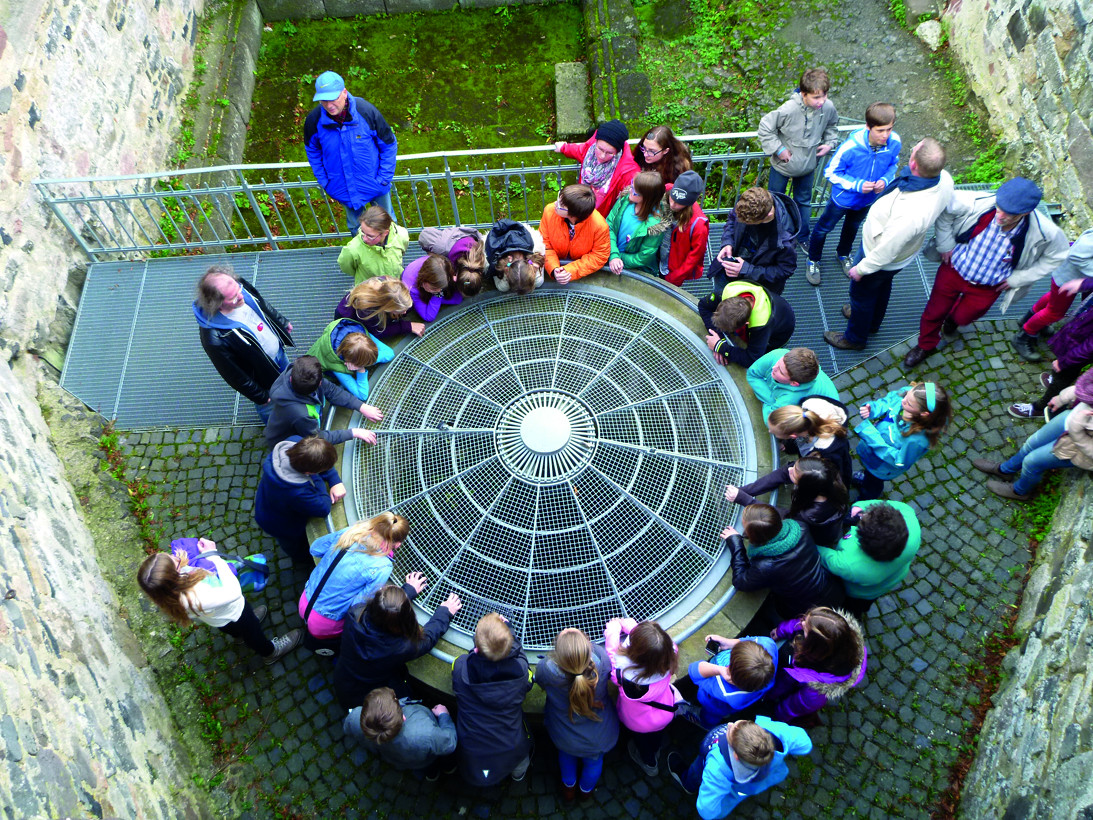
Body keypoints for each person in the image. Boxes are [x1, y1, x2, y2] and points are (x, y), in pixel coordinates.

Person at [903, 176, 1069, 368]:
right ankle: (925, 345)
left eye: (1009, 214)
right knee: (934, 311)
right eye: (999, 207)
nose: (1000, 215)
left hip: (989, 286)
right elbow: (945, 210)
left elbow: (1058, 255)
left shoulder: (1045, 231)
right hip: (954, 271)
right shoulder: (975, 203)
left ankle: (952, 321)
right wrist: (945, 243)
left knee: (965, 317)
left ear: (1026, 212)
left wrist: (1020, 278)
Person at [824, 138, 953, 351]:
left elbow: (887, 250)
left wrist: (861, 269)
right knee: (882, 286)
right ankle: (872, 323)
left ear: (913, 164)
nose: (911, 148)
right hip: (900, 257)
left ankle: (855, 338)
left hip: (879, 257)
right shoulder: (943, 180)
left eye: (914, 149)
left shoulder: (911, 211)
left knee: (861, 294)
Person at [137, 538, 301, 664]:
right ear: (173, 578)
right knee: (252, 631)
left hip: (215, 616)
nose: (175, 556)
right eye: (175, 561)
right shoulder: (196, 596)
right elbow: (234, 592)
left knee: (229, 627)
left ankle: (238, 636)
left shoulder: (166, 593)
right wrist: (214, 555)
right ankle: (270, 652)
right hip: (234, 611)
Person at [805, 102, 901, 286]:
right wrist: (857, 185)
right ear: (868, 127)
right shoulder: (850, 147)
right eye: (880, 130)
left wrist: (886, 180)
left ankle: (843, 254)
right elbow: (830, 172)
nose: (885, 135)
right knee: (824, 228)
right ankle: (813, 260)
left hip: (867, 200)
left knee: (852, 227)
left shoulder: (894, 142)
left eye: (889, 129)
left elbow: (893, 165)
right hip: (842, 199)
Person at [335, 579, 461, 709]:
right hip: (368, 699)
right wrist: (444, 613)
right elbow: (426, 640)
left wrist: (407, 591)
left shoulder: (354, 614)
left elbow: (385, 612)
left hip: (344, 679)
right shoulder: (400, 647)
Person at [193, 265, 293, 422]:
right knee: (269, 408)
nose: (241, 297)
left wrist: (281, 321)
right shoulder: (214, 338)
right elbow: (233, 374)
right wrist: (260, 396)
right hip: (262, 376)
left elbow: (261, 303)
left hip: (278, 353)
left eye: (238, 290)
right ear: (216, 303)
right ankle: (275, 426)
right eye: (232, 298)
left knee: (288, 378)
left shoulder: (237, 286)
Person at [973, 369, 1093, 500]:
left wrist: (1076, 431)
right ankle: (1005, 470)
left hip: (1082, 445)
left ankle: (1020, 491)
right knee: (1031, 443)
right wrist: (1065, 396)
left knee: (1032, 462)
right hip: (1074, 416)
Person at [304, 71, 397, 233]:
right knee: (356, 227)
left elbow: (388, 144)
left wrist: (383, 179)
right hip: (343, 187)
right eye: (323, 100)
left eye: (333, 99)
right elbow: (312, 151)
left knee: (387, 223)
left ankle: (391, 253)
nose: (329, 105)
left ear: (344, 93)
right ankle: (365, 257)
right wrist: (326, 182)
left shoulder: (366, 112)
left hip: (375, 182)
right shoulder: (314, 120)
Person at [665, 717, 813, 819]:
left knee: (695, 775)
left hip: (731, 785)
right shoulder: (773, 732)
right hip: (761, 780)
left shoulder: (718, 767)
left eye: (729, 732)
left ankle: (688, 784)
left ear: (735, 755)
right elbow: (805, 744)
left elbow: (707, 810)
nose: (729, 724)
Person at [534, 628, 620, 800]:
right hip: (598, 737)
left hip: (564, 735)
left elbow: (541, 683)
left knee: (566, 757)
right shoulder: (602, 659)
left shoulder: (545, 669)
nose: (566, 628)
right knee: (594, 764)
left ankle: (568, 789)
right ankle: (585, 792)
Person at [757, 68, 840, 244]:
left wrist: (829, 143)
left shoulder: (828, 107)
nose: (821, 101)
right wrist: (779, 150)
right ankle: (774, 235)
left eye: (824, 95)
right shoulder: (789, 109)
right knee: (775, 201)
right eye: (816, 97)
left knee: (803, 202)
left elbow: (832, 126)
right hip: (782, 166)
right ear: (803, 94)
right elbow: (765, 127)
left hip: (808, 166)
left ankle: (802, 237)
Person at [722, 503, 844, 621]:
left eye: (746, 529)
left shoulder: (766, 565)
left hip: (805, 608)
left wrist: (736, 543)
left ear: (757, 536)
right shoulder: (800, 527)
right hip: (832, 588)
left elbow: (741, 581)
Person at [451, 613, 534, 785]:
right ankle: (517, 775)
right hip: (511, 745)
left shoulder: (461, 667)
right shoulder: (521, 672)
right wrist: (509, 631)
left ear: (476, 648)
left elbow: (463, 663)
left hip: (472, 747)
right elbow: (523, 665)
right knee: (520, 759)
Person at [298, 513, 407, 641]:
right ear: (398, 544)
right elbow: (358, 606)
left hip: (306, 599)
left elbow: (316, 549)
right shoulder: (383, 565)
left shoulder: (353, 532)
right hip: (326, 622)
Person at [603, 617, 681, 777]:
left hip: (638, 723)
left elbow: (611, 653)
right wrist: (633, 627)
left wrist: (614, 629)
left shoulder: (621, 674)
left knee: (642, 743)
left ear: (635, 653)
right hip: (666, 713)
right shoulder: (670, 655)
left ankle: (650, 764)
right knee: (656, 737)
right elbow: (653, 646)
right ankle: (656, 749)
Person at [765, 606, 868, 723]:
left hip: (782, 684)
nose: (802, 623)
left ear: (816, 648)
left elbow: (791, 707)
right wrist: (781, 630)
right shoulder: (830, 632)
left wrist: (772, 714)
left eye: (806, 630)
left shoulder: (815, 694)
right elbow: (799, 624)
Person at [254, 435, 344, 568]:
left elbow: (319, 457)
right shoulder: (297, 492)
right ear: (309, 472)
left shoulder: (294, 442)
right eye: (319, 471)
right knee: (294, 545)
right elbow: (323, 507)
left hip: (266, 504)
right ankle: (302, 560)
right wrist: (317, 479)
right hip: (279, 524)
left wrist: (334, 480)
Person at [817, 500, 920, 617]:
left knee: (851, 608)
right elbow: (896, 506)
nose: (863, 515)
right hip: (884, 584)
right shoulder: (911, 522)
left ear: (863, 541)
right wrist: (861, 506)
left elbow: (824, 555)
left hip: (858, 594)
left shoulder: (850, 564)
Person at [724, 454, 850, 548]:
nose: (789, 469)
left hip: (817, 538)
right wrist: (744, 491)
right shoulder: (823, 477)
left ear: (805, 487)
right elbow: (783, 473)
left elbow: (783, 517)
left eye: (794, 474)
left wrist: (745, 499)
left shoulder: (809, 515)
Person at [854, 381, 951, 500]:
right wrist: (872, 409)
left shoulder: (918, 440)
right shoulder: (910, 394)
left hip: (882, 467)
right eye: (906, 395)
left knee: (872, 484)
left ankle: (865, 500)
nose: (903, 400)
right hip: (870, 452)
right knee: (868, 474)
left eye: (908, 403)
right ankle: (865, 477)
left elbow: (900, 462)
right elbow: (889, 401)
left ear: (924, 413)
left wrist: (870, 436)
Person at [1008, 284, 1093, 420]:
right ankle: (1058, 384)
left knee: (1065, 371)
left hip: (1083, 341)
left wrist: (1065, 361)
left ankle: (1040, 408)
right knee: (1066, 368)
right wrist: (1084, 283)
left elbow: (1089, 347)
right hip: (1083, 327)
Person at [1011, 228, 1093, 361]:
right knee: (1055, 312)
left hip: (1068, 277)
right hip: (1068, 278)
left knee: (1053, 298)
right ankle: (1023, 336)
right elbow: (1076, 256)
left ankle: (1027, 318)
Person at [263, 355, 380, 448]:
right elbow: (316, 438)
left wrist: (361, 407)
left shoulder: (299, 373)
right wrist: (353, 433)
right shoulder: (301, 414)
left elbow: (332, 390)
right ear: (318, 384)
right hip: (287, 443)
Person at [344, 687, 458, 780]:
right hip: (426, 759)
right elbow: (448, 743)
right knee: (432, 764)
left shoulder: (355, 719)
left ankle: (431, 775)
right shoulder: (426, 733)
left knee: (422, 768)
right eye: (395, 699)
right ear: (403, 717)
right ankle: (447, 768)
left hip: (402, 760)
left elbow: (347, 728)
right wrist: (444, 716)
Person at [706, 187, 800, 295]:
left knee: (738, 311)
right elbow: (732, 219)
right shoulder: (747, 205)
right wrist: (727, 243)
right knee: (719, 298)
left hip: (755, 286)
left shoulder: (785, 240)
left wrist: (747, 269)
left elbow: (785, 270)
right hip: (728, 270)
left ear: (768, 216)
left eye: (749, 223)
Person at [699, 280, 795, 369]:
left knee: (764, 360)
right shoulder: (728, 292)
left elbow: (752, 358)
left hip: (780, 330)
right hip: (776, 307)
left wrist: (719, 347)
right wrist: (721, 339)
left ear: (746, 323)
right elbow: (703, 305)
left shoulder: (761, 324)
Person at [685, 635, 777, 728]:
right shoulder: (769, 647)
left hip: (715, 703)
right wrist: (729, 642)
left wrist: (719, 670)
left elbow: (694, 670)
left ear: (729, 673)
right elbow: (759, 640)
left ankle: (705, 724)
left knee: (711, 715)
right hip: (744, 699)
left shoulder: (724, 690)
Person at [553, 119, 641, 217]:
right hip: (581, 208)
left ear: (618, 151)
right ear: (596, 142)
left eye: (609, 153)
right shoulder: (590, 150)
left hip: (601, 216)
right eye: (600, 149)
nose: (602, 156)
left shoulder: (628, 171)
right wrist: (563, 147)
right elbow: (579, 150)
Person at [767, 398, 853, 488]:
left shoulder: (828, 453)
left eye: (774, 433)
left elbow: (835, 476)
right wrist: (787, 446)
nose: (769, 431)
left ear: (793, 436)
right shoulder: (802, 420)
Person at [307, 316, 393, 402]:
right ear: (351, 361)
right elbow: (362, 395)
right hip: (314, 376)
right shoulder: (336, 365)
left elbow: (390, 354)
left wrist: (369, 360)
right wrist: (361, 370)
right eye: (364, 363)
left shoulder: (359, 337)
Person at [746, 347, 839, 424]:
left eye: (781, 372)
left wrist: (770, 400)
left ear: (794, 383)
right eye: (778, 363)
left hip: (826, 416)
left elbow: (772, 420)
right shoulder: (778, 354)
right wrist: (772, 400)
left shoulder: (792, 397)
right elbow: (752, 374)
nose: (774, 368)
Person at [541, 184, 611, 284]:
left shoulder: (600, 226)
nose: (555, 204)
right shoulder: (550, 211)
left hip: (582, 272)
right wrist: (553, 268)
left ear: (573, 215)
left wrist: (570, 271)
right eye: (558, 198)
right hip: (557, 261)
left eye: (561, 205)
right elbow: (544, 246)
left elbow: (599, 256)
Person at [606, 171, 667, 276]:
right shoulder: (625, 200)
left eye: (635, 191)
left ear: (647, 197)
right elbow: (609, 226)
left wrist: (617, 259)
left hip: (635, 270)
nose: (630, 190)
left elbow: (642, 258)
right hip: (612, 256)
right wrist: (613, 255)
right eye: (631, 185)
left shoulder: (655, 226)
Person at [660, 171, 710, 286]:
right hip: (657, 259)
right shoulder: (666, 190)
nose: (672, 205)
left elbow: (694, 257)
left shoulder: (698, 225)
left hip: (672, 271)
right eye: (672, 198)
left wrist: (675, 277)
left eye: (679, 203)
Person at [337, 206, 410, 286]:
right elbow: (346, 267)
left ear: (385, 233)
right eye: (362, 231)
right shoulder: (352, 249)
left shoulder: (401, 235)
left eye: (370, 236)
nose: (364, 238)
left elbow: (402, 251)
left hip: (395, 288)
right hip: (369, 291)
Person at [335, 276, 425, 340]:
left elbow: (402, 301)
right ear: (387, 309)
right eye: (400, 310)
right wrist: (407, 326)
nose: (405, 312)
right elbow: (377, 331)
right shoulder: (368, 312)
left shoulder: (390, 286)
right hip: (348, 321)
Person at [418, 224, 488, 298]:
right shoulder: (442, 248)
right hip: (451, 239)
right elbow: (424, 235)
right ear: (455, 277)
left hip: (469, 236)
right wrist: (433, 255)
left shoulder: (479, 261)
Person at [484, 219, 546, 293]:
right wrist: (504, 275)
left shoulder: (534, 252)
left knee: (538, 282)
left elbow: (539, 279)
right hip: (498, 241)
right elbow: (501, 286)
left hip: (522, 238)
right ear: (507, 272)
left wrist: (534, 269)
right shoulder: (497, 261)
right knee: (503, 288)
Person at [402, 254, 463, 322]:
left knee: (457, 299)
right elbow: (428, 316)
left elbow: (457, 299)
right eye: (434, 288)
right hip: (414, 284)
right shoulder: (412, 288)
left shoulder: (443, 267)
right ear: (423, 282)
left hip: (430, 278)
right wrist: (438, 295)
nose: (439, 290)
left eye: (441, 287)